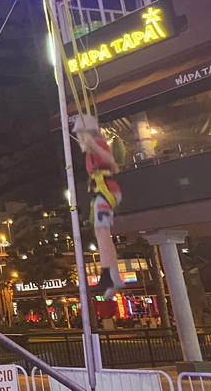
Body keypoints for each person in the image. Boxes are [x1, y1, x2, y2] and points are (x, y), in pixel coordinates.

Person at [73, 115, 124, 297]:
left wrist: (93, 145)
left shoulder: (97, 145)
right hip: (101, 191)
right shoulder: (91, 150)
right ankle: (111, 275)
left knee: (102, 232)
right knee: (101, 232)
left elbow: (113, 163)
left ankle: (108, 273)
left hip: (106, 190)